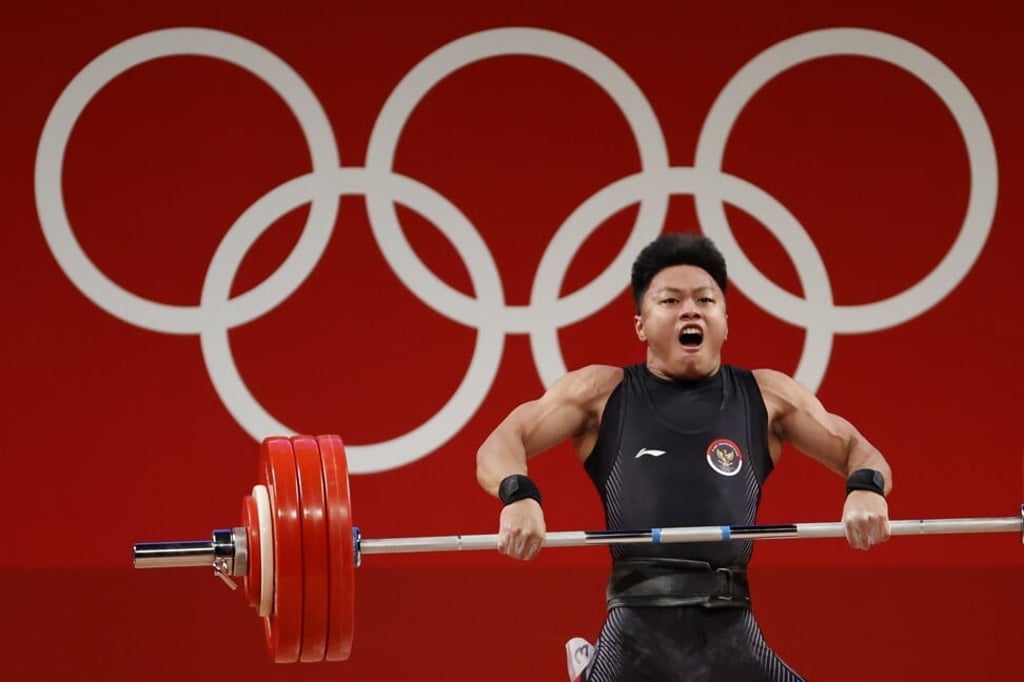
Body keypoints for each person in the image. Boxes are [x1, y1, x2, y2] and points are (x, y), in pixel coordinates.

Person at [475, 232, 892, 681]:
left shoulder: (766, 396)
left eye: (705, 300)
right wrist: (518, 494)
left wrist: (865, 488)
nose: (690, 309)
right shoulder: (601, 392)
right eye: (670, 301)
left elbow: (858, 450)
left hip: (731, 628)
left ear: (726, 321)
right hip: (634, 634)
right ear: (641, 324)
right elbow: (501, 443)